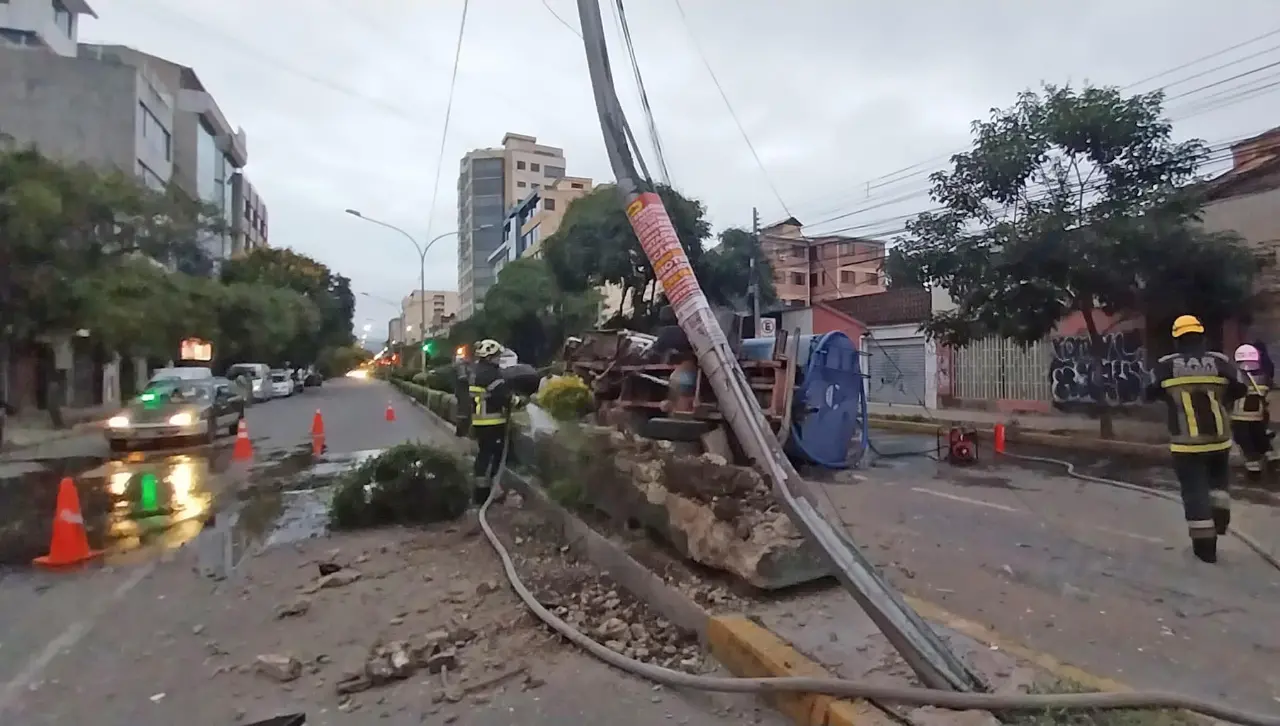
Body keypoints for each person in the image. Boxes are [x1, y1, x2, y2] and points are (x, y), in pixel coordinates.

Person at [1145, 315, 1246, 563]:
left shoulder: (1166, 365)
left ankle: (1205, 548)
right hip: (1219, 439)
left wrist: (1169, 397)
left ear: (1177, 340)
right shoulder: (1220, 361)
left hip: (1186, 442)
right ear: (1202, 336)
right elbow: (1240, 387)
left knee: (1194, 492)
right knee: (1218, 482)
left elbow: (1148, 393)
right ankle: (1220, 517)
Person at [455, 338, 512, 507]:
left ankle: (480, 494)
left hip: (480, 422)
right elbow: (504, 397)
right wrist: (518, 401)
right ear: (489, 356)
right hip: (493, 423)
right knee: (493, 458)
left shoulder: (476, 372)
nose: (498, 359)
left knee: (483, 457)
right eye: (496, 356)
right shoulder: (491, 374)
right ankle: (489, 493)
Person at [1231, 344, 1278, 477]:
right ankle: (1271, 458)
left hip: (1240, 418)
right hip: (1259, 417)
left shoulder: (1237, 377)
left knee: (1245, 441)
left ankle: (1254, 468)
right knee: (1260, 438)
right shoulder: (1264, 376)